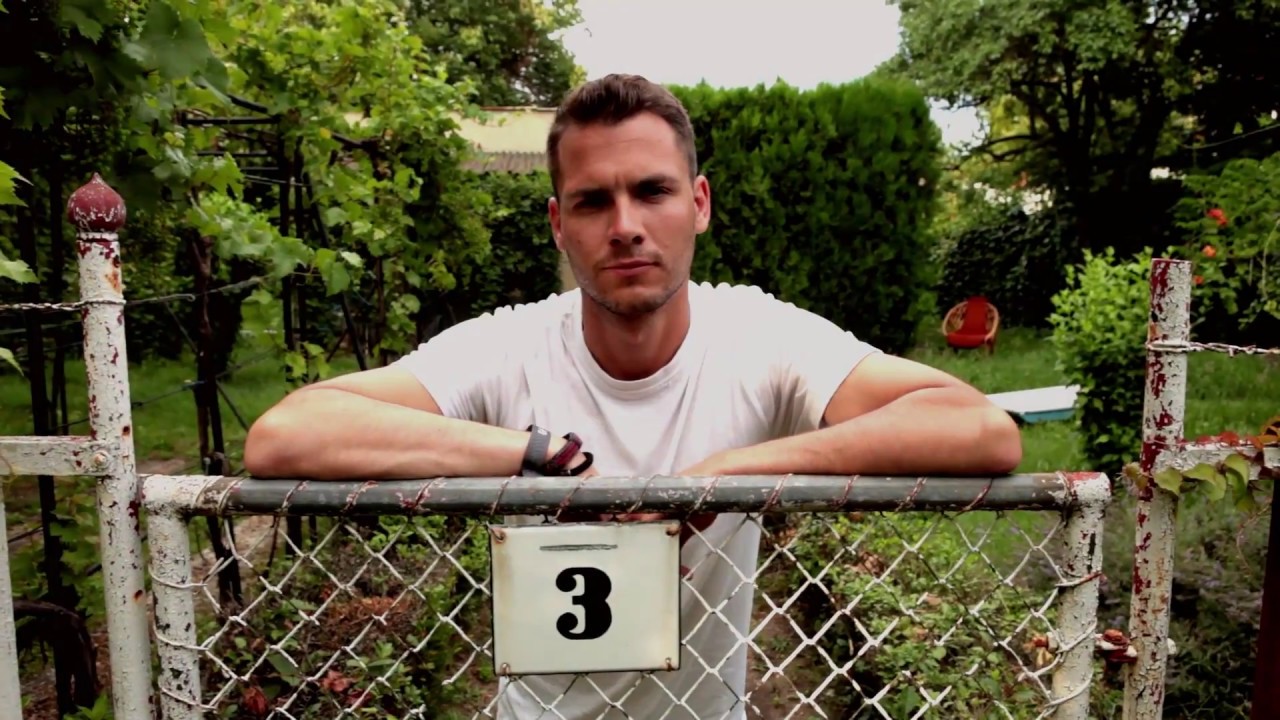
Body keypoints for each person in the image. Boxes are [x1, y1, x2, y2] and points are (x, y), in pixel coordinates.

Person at [243, 73, 1022, 719]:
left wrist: (728, 474)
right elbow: (285, 433)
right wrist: (533, 457)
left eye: (653, 191)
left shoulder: (759, 335)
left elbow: (980, 429)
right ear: (557, 224)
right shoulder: (509, 344)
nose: (625, 227)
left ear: (700, 204)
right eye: (592, 202)